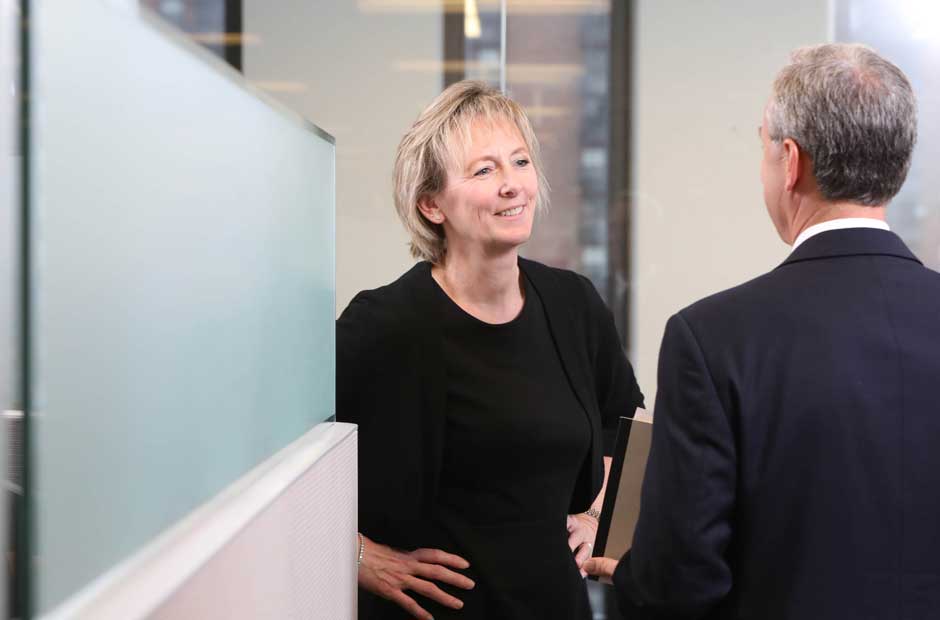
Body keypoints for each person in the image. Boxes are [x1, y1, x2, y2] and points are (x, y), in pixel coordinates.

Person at [585, 43, 940, 619]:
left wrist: (628, 573)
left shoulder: (712, 339)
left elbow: (680, 584)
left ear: (791, 161)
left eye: (763, 146)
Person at [337, 80, 644, 619]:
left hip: (556, 605)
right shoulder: (383, 325)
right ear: (432, 204)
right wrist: (359, 555)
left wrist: (597, 518)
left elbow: (626, 428)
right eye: (484, 170)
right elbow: (288, 470)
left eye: (520, 162)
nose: (512, 185)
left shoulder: (572, 305)